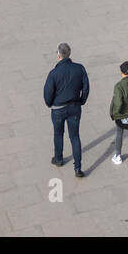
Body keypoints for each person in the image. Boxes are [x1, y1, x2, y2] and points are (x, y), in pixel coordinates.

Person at [43, 43, 90, 178]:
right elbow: (86, 87)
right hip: (75, 107)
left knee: (58, 134)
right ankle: (78, 168)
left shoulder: (53, 73)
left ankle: (58, 159)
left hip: (58, 109)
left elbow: (47, 94)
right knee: (75, 137)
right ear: (69, 54)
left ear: (58, 55)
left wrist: (50, 104)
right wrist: (82, 100)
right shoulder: (79, 68)